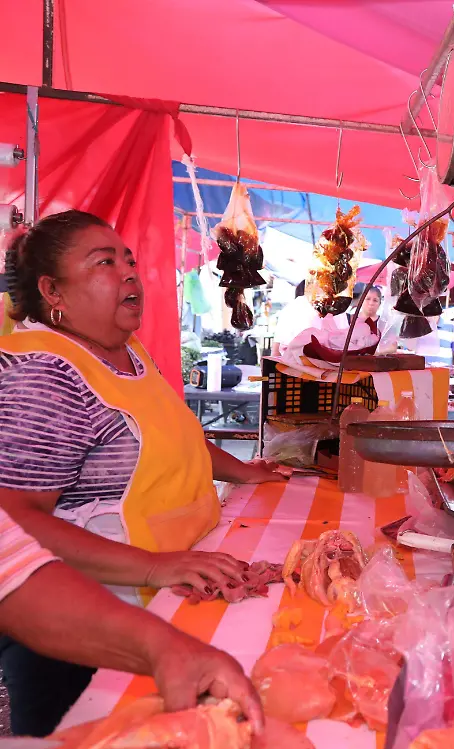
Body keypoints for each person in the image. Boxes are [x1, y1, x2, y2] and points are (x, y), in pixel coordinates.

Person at [0, 210, 285, 734]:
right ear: (52, 291)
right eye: (104, 262)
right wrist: (155, 567)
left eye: (129, 259)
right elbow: (14, 518)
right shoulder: (43, 374)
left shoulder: (125, 350)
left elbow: (176, 435)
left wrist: (244, 473)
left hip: (170, 596)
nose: (130, 272)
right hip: (84, 627)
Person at [0, 507, 264, 735]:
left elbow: (12, 564)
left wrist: (165, 650)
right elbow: (16, 570)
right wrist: (151, 567)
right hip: (65, 615)